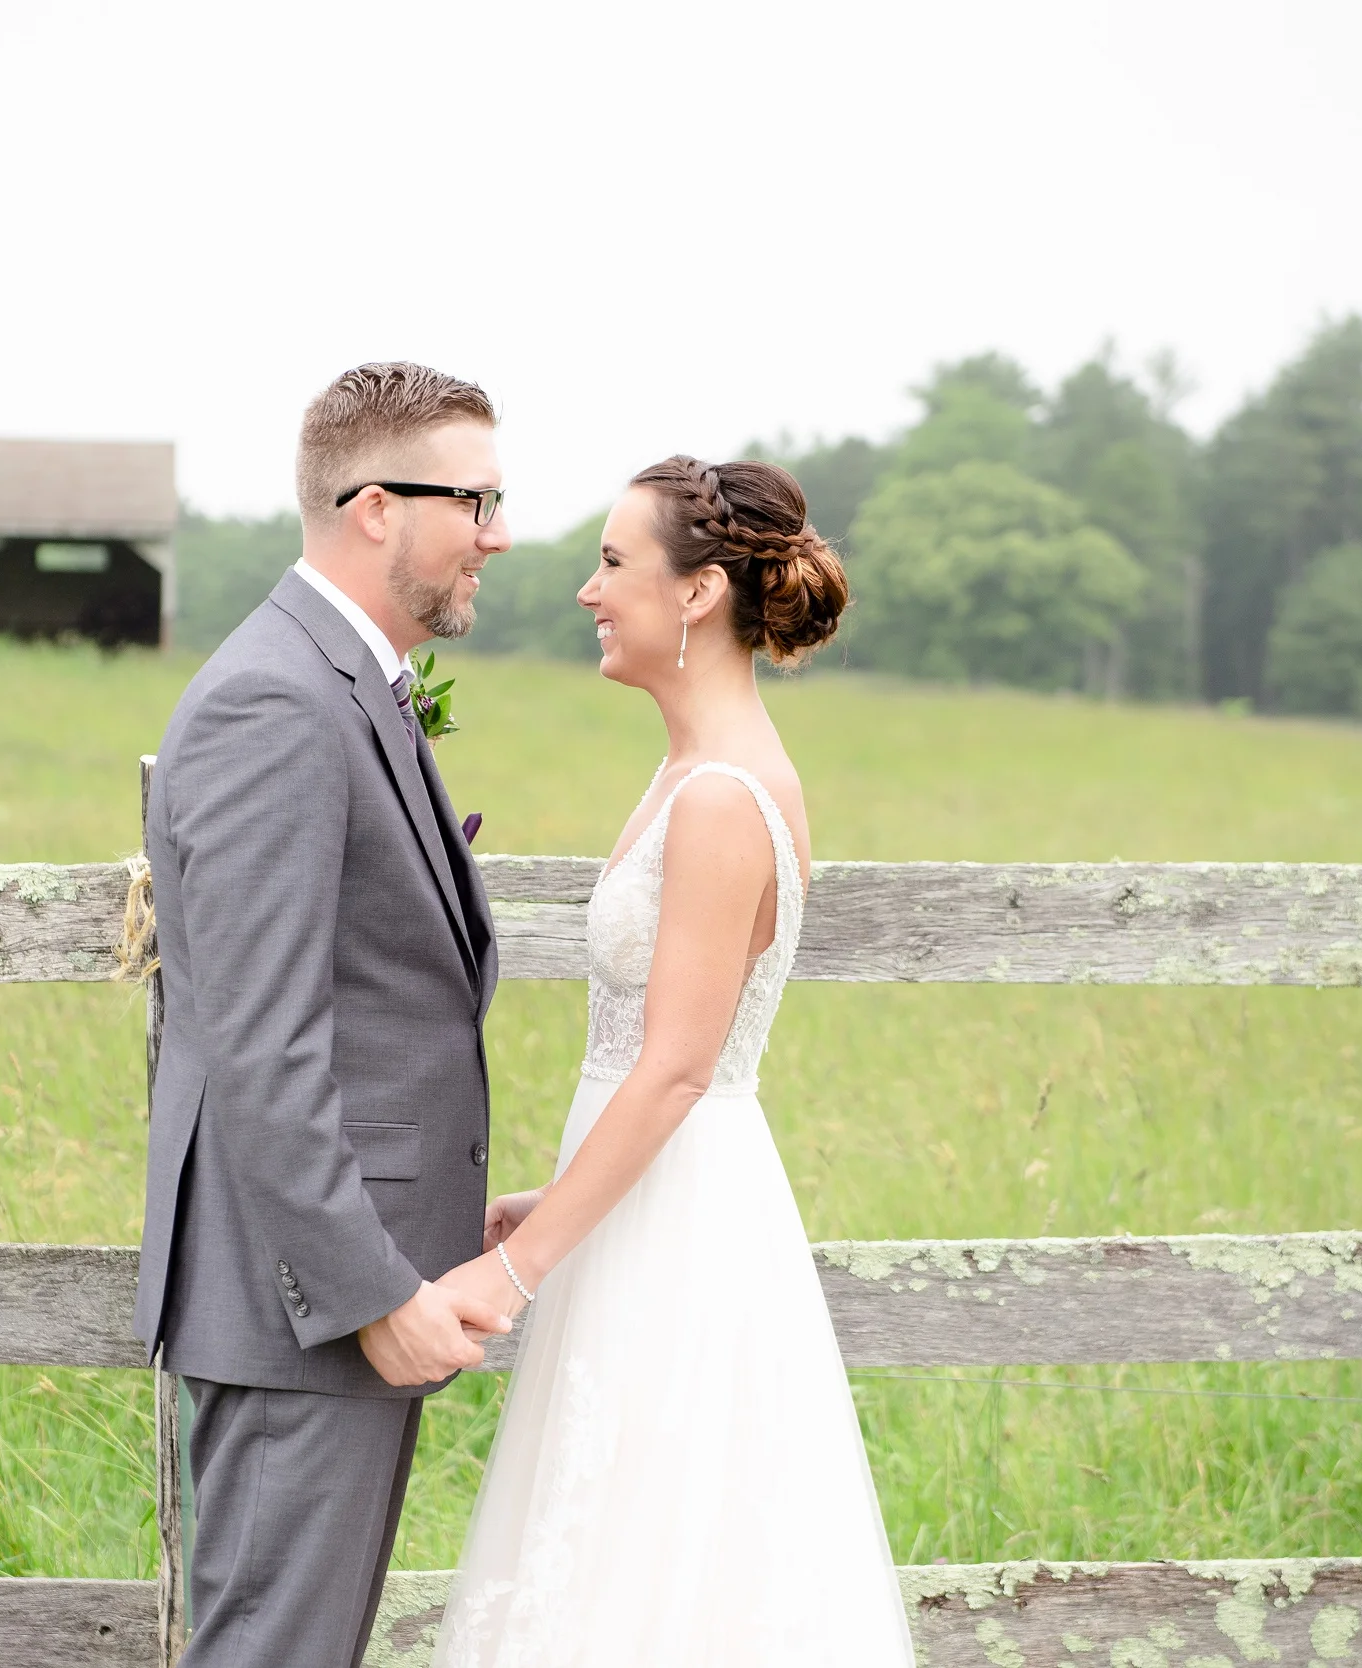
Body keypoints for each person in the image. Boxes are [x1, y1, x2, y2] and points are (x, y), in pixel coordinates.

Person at [430, 457, 914, 1665]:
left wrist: (518, 1270)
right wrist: (565, 1197)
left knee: (656, 1560)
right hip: (646, 1198)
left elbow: (678, 1070)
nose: (590, 592)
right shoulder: (690, 771)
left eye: (612, 564)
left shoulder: (719, 797)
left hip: (678, 1221)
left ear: (696, 595)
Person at [135, 362, 512, 1668]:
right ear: (373, 507)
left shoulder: (346, 684)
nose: (499, 533)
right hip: (305, 1310)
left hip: (343, 1297)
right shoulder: (275, 702)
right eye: (476, 500)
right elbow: (262, 1044)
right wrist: (368, 1292)